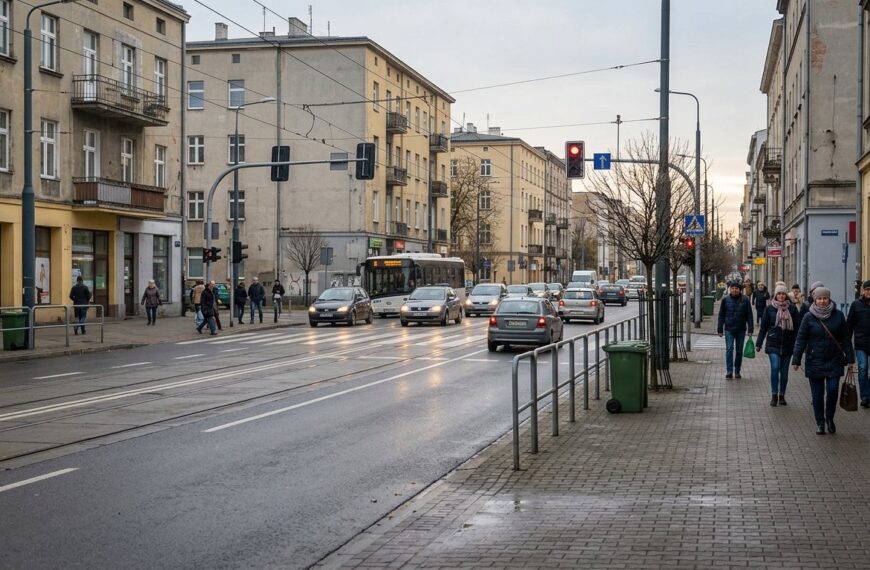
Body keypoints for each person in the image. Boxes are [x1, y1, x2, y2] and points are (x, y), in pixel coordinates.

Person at [792, 286, 855, 435]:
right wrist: (796, 359)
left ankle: (830, 418)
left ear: (829, 298)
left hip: (834, 359)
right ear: (815, 299)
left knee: (833, 391)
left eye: (824, 298)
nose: (822, 301)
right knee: (817, 395)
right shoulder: (808, 317)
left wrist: (851, 359)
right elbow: (801, 339)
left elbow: (846, 339)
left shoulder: (838, 315)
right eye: (819, 298)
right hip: (815, 360)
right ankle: (820, 423)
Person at [756, 284, 801, 406]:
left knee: (784, 371)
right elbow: (764, 327)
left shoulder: (792, 309)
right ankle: (774, 394)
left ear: (786, 295)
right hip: (773, 343)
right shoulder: (769, 309)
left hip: (788, 343)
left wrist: (798, 344)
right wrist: (759, 343)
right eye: (779, 294)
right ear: (775, 295)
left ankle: (782, 395)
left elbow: (798, 328)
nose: (781, 296)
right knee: (775, 367)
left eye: (783, 294)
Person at [717, 280, 754, 379]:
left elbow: (749, 315)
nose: (734, 290)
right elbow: (721, 315)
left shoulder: (745, 300)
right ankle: (729, 371)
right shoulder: (725, 300)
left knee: (739, 351)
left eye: (736, 288)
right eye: (732, 288)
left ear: (740, 290)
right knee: (729, 349)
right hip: (729, 329)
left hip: (741, 329)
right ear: (730, 289)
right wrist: (720, 329)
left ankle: (737, 370)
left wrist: (750, 329)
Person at [847, 280, 870, 408]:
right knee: (863, 368)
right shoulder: (856, 305)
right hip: (861, 343)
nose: (869, 292)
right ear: (863, 291)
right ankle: (865, 397)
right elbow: (849, 325)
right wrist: (847, 344)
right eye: (867, 289)